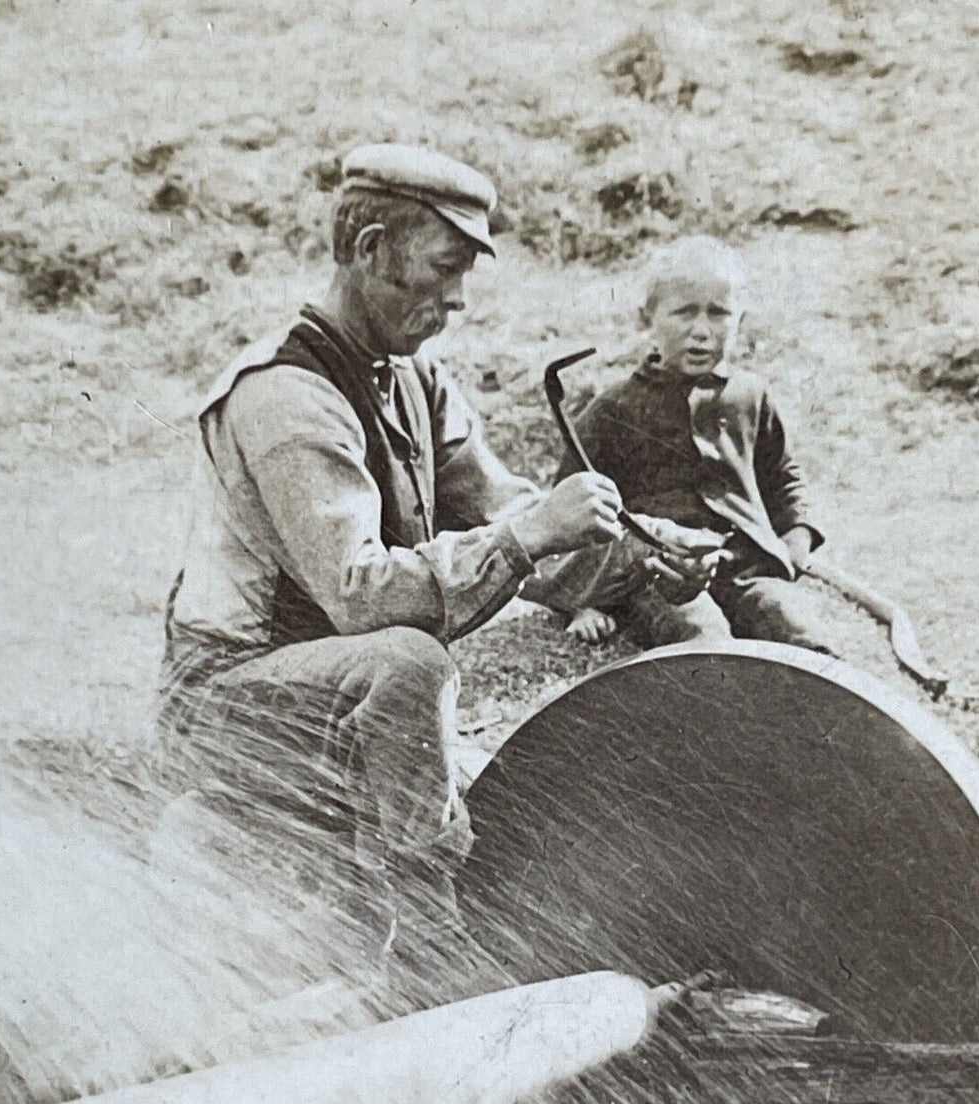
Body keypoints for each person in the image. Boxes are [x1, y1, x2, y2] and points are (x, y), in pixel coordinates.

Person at [155, 143, 654, 982]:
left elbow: (500, 509)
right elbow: (360, 596)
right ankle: (425, 946)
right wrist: (530, 536)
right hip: (228, 705)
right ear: (371, 250)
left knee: (444, 717)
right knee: (408, 661)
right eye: (443, 267)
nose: (457, 299)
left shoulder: (411, 377)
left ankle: (432, 914)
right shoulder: (284, 394)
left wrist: (636, 561)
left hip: (326, 694)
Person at [533, 234, 840, 653]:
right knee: (705, 642)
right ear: (649, 318)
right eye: (684, 313)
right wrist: (581, 603)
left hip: (746, 565)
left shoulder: (749, 395)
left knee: (803, 633)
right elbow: (573, 510)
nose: (701, 332)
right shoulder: (614, 408)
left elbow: (782, 475)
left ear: (740, 319)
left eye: (718, 314)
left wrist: (797, 536)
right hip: (660, 572)